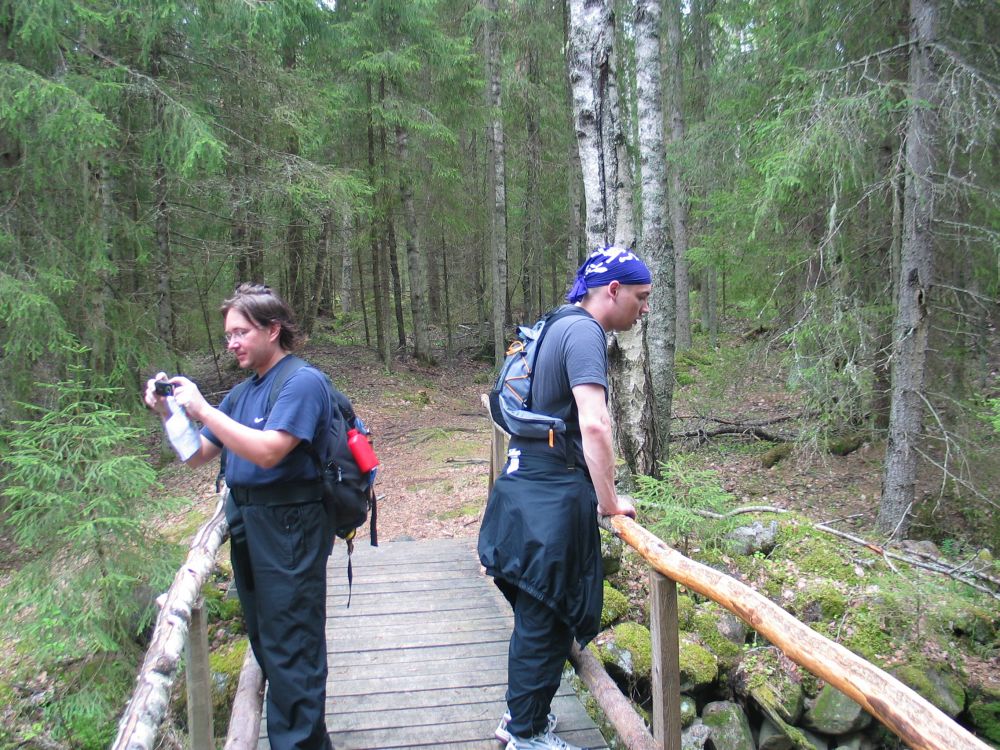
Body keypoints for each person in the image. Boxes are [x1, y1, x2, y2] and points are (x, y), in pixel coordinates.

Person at [144, 283, 334, 750]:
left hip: (290, 526)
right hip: (249, 523)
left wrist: (204, 409)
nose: (231, 343)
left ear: (273, 330)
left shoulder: (302, 382)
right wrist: (171, 413)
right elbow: (197, 454)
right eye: (228, 334)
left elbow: (270, 451)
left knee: (293, 644)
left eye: (241, 332)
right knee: (268, 641)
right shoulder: (242, 394)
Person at [479, 246, 651, 750]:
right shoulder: (584, 333)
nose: (645, 309)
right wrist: (610, 502)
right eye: (641, 297)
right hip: (549, 503)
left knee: (540, 621)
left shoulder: (557, 322)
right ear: (613, 290)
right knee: (545, 621)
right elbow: (594, 424)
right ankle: (526, 734)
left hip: (522, 492)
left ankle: (520, 719)